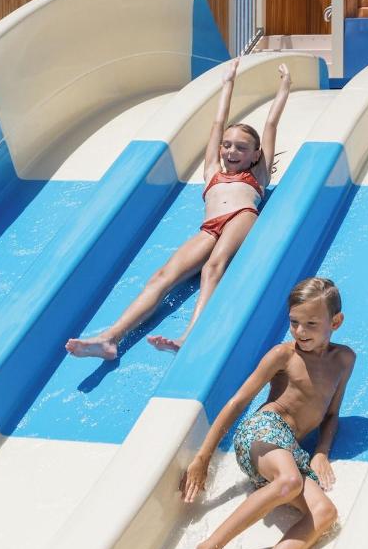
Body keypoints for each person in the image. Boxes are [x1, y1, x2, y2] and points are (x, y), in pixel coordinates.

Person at [65, 57, 292, 360]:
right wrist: (227, 83)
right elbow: (217, 124)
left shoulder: (257, 175)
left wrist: (285, 86)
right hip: (209, 228)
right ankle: (110, 338)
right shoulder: (212, 170)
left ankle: (189, 336)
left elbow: (271, 124)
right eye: (227, 145)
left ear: (255, 155)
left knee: (213, 267)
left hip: (241, 217)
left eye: (241, 147)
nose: (232, 151)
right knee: (162, 276)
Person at [182, 277, 356, 549]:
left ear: (336, 322)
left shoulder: (344, 360)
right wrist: (203, 457)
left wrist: (321, 452)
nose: (300, 331)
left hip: (289, 451)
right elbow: (238, 402)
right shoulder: (283, 355)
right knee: (289, 481)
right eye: (294, 322)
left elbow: (332, 414)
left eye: (311, 324)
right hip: (262, 432)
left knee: (324, 514)